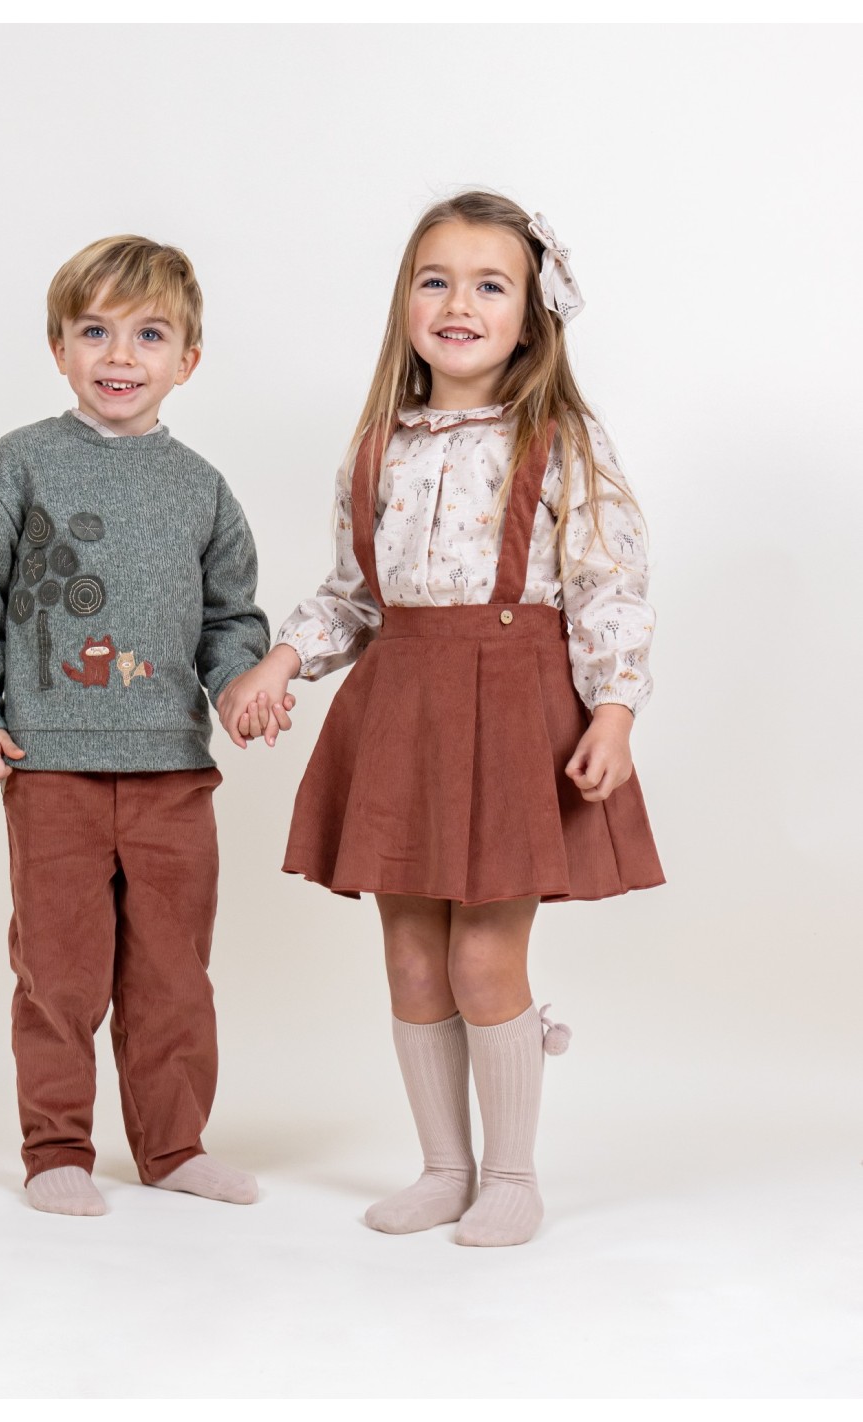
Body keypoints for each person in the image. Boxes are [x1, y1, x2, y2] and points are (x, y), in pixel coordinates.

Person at [220, 191, 664, 1247]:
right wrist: (279, 663)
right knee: (412, 954)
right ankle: (442, 1168)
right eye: (435, 280)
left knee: (483, 958)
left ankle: (510, 1176)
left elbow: (609, 583)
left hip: (513, 711)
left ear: (531, 314)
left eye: (488, 284)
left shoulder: (561, 439)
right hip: (403, 708)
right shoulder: (377, 446)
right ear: (404, 303)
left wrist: (612, 710)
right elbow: (353, 597)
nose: (458, 303)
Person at [0, 234, 281, 1217]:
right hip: (51, 770)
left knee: (174, 974)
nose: (119, 355)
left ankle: (172, 1147)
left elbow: (230, 619)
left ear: (187, 360)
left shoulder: (202, 488)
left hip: (172, 773)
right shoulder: (19, 465)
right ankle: (56, 1151)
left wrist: (239, 687)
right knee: (59, 971)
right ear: (58, 348)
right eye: (95, 331)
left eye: (148, 335)